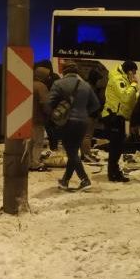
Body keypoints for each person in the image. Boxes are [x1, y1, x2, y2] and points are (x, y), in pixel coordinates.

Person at [48, 61, 100, 190]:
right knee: (73, 152)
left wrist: (57, 112)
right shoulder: (86, 85)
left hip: (67, 122)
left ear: (64, 71)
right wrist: (83, 112)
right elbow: (96, 105)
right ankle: (65, 180)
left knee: (71, 153)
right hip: (83, 122)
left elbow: (49, 102)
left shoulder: (58, 84)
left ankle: (85, 179)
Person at [101, 60, 139, 182]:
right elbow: (125, 97)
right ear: (129, 71)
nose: (135, 75)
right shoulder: (118, 79)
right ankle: (113, 174)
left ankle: (114, 172)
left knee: (117, 146)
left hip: (118, 116)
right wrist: (133, 85)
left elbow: (131, 98)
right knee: (116, 147)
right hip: (113, 116)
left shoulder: (123, 78)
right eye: (134, 72)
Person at [28, 66, 52, 172]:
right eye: (47, 76)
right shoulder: (41, 86)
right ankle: (35, 163)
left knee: (30, 142)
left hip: (27, 118)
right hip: (37, 118)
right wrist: (50, 114)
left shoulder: (29, 84)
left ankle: (28, 161)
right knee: (38, 142)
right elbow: (45, 103)